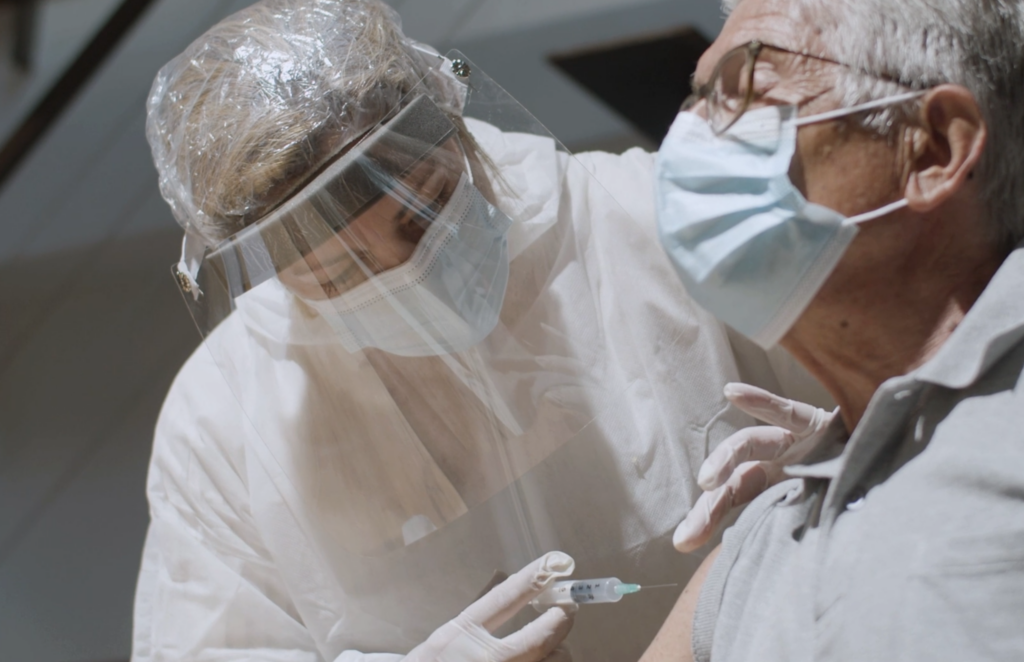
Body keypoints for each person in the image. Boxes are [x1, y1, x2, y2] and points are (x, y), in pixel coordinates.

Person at [132, 1, 829, 660]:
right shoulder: (221, 424)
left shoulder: (647, 221)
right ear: (276, 276)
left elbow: (920, 404)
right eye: (341, 274)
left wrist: (850, 453)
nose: (412, 278)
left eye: (427, 209)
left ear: (454, 128)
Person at [645, 0, 1024, 659]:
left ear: (932, 148)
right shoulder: (771, 530)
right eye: (696, 102)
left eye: (745, 98)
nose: (690, 147)